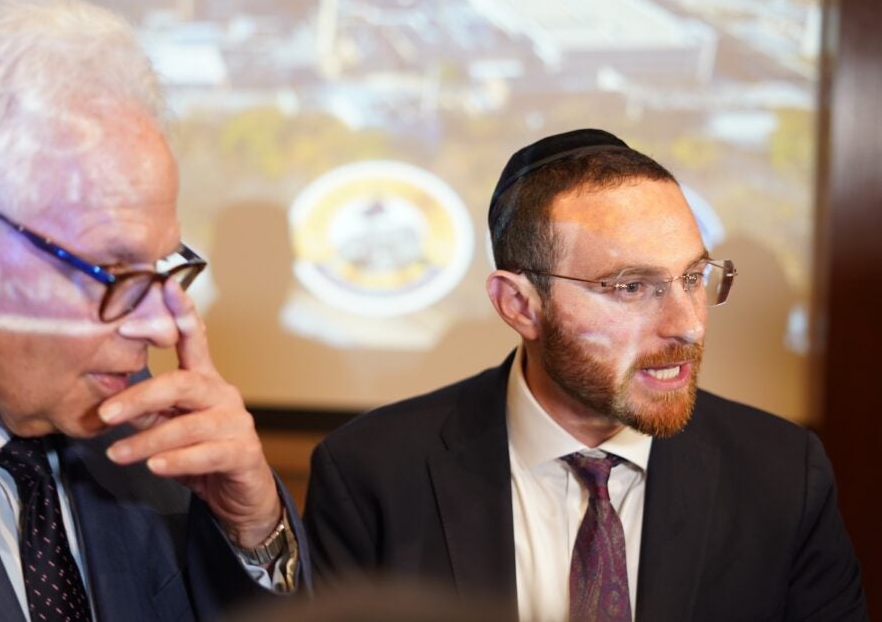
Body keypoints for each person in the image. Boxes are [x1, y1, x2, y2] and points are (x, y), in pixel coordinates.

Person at [0, 0, 306, 621]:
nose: (157, 327)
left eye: (163, 265)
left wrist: (253, 530)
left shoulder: (149, 429)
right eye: (111, 271)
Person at [303, 129, 867, 621]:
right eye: (630, 287)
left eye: (694, 277)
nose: (689, 326)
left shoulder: (783, 476)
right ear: (520, 305)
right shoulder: (371, 474)